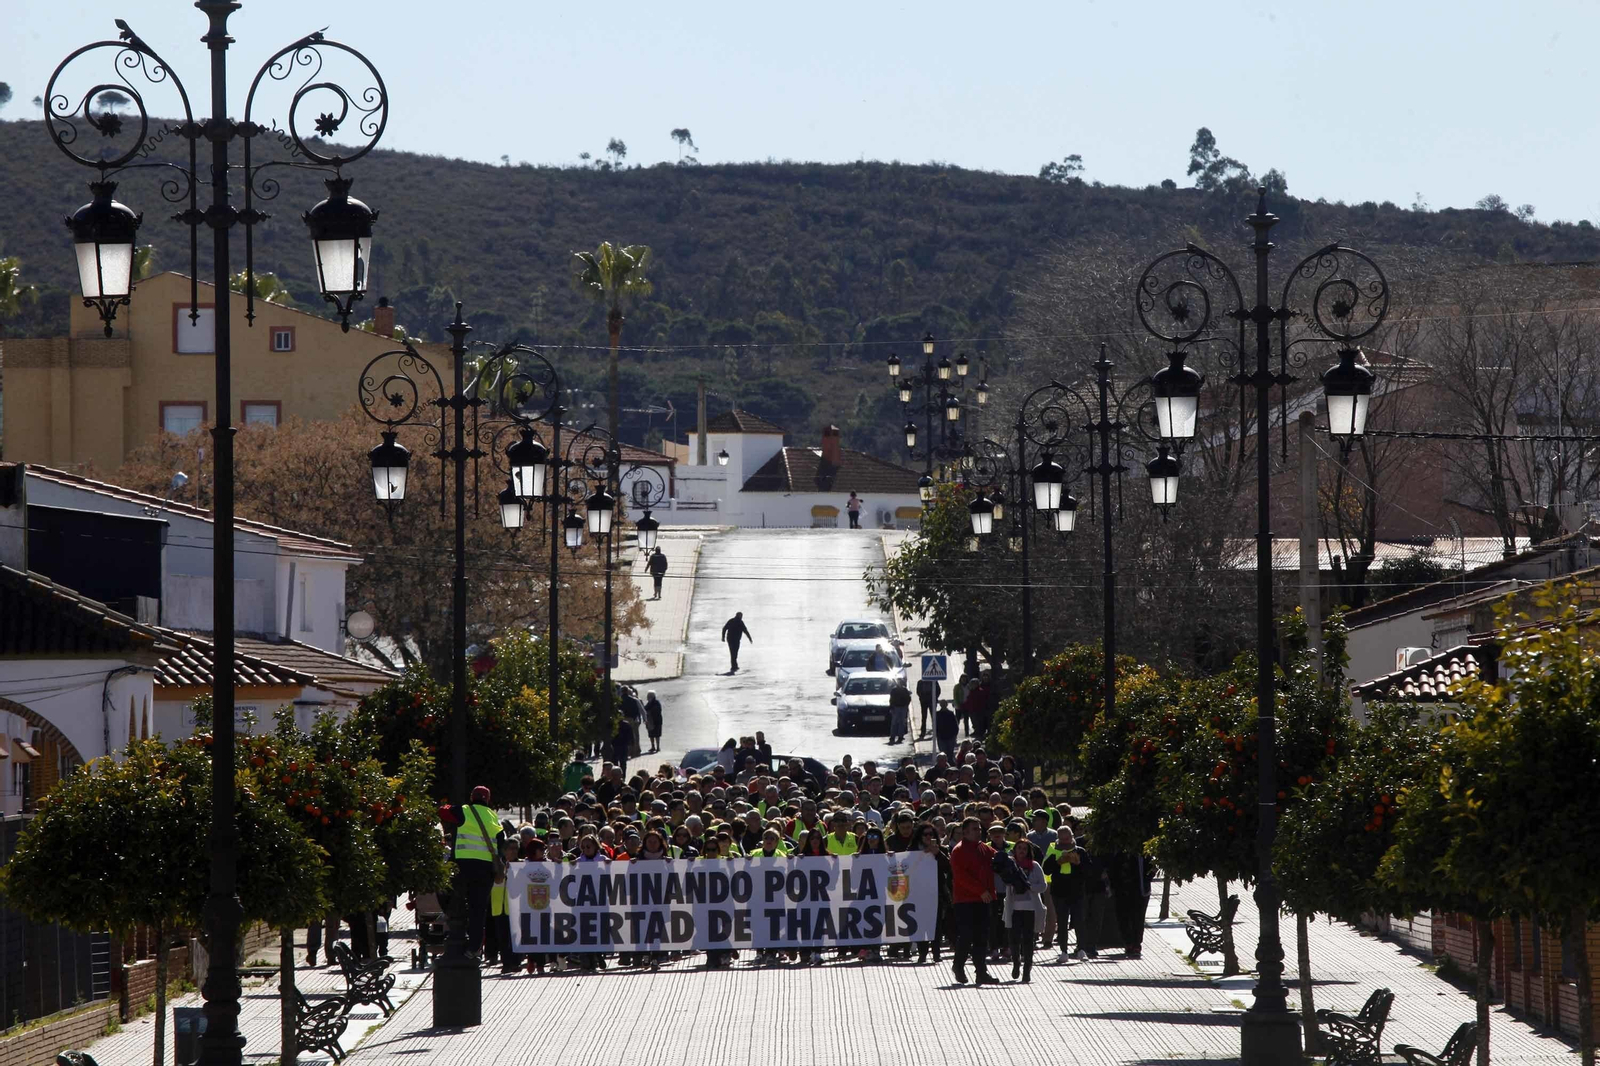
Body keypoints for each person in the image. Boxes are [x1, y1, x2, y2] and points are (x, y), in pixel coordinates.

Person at [437, 784, 500, 961]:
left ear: (472, 798)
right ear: (488, 800)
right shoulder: (493, 816)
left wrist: (448, 805)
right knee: (478, 910)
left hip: (463, 867)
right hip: (485, 870)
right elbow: (500, 841)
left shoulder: (463, 810)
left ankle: (456, 934)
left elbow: (443, 812)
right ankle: (474, 948)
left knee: (451, 898)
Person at [949, 816, 999, 985]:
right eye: (975, 829)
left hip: (984, 899)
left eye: (979, 828)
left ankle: (981, 972)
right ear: (965, 832)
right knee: (966, 935)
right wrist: (981, 891)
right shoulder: (958, 850)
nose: (979, 831)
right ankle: (958, 965)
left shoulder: (984, 848)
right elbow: (961, 877)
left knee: (981, 936)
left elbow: (998, 859)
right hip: (965, 901)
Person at [1002, 839, 1047, 982]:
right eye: (1019, 848)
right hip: (1013, 907)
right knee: (1014, 939)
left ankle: (1027, 968)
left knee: (1028, 940)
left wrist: (1029, 886)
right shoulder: (1010, 865)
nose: (1021, 851)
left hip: (1031, 908)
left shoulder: (1035, 866)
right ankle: (1016, 963)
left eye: (1024, 849)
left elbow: (1043, 886)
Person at [915, 823, 953, 965]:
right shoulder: (913, 851)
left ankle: (936, 953)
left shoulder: (941, 850)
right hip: (918, 892)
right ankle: (922, 952)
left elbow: (948, 868)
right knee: (921, 924)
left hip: (937, 892)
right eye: (925, 834)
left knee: (936, 924)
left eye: (931, 834)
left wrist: (937, 853)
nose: (928, 837)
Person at [1108, 851, 1153, 959]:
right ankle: (1128, 943)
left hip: (1139, 891)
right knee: (1122, 917)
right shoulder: (1118, 854)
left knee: (1138, 918)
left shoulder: (1143, 854)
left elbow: (1151, 869)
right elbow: (1113, 869)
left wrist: (1146, 881)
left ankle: (1136, 945)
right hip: (1121, 890)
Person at [888, 678, 912, 745]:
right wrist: (891, 707)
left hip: (903, 708)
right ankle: (892, 737)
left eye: (900, 682)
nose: (899, 684)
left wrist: (906, 706)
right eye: (898, 682)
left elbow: (908, 698)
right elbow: (891, 699)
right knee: (894, 723)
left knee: (901, 723)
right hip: (896, 708)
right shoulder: (894, 690)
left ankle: (900, 736)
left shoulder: (904, 690)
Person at [915, 673, 940, 738]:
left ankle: (935, 731)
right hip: (924, 702)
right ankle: (923, 732)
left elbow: (938, 690)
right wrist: (922, 697)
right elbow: (918, 691)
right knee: (924, 717)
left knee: (934, 717)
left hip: (932, 701)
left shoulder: (933, 681)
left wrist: (934, 697)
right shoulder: (920, 682)